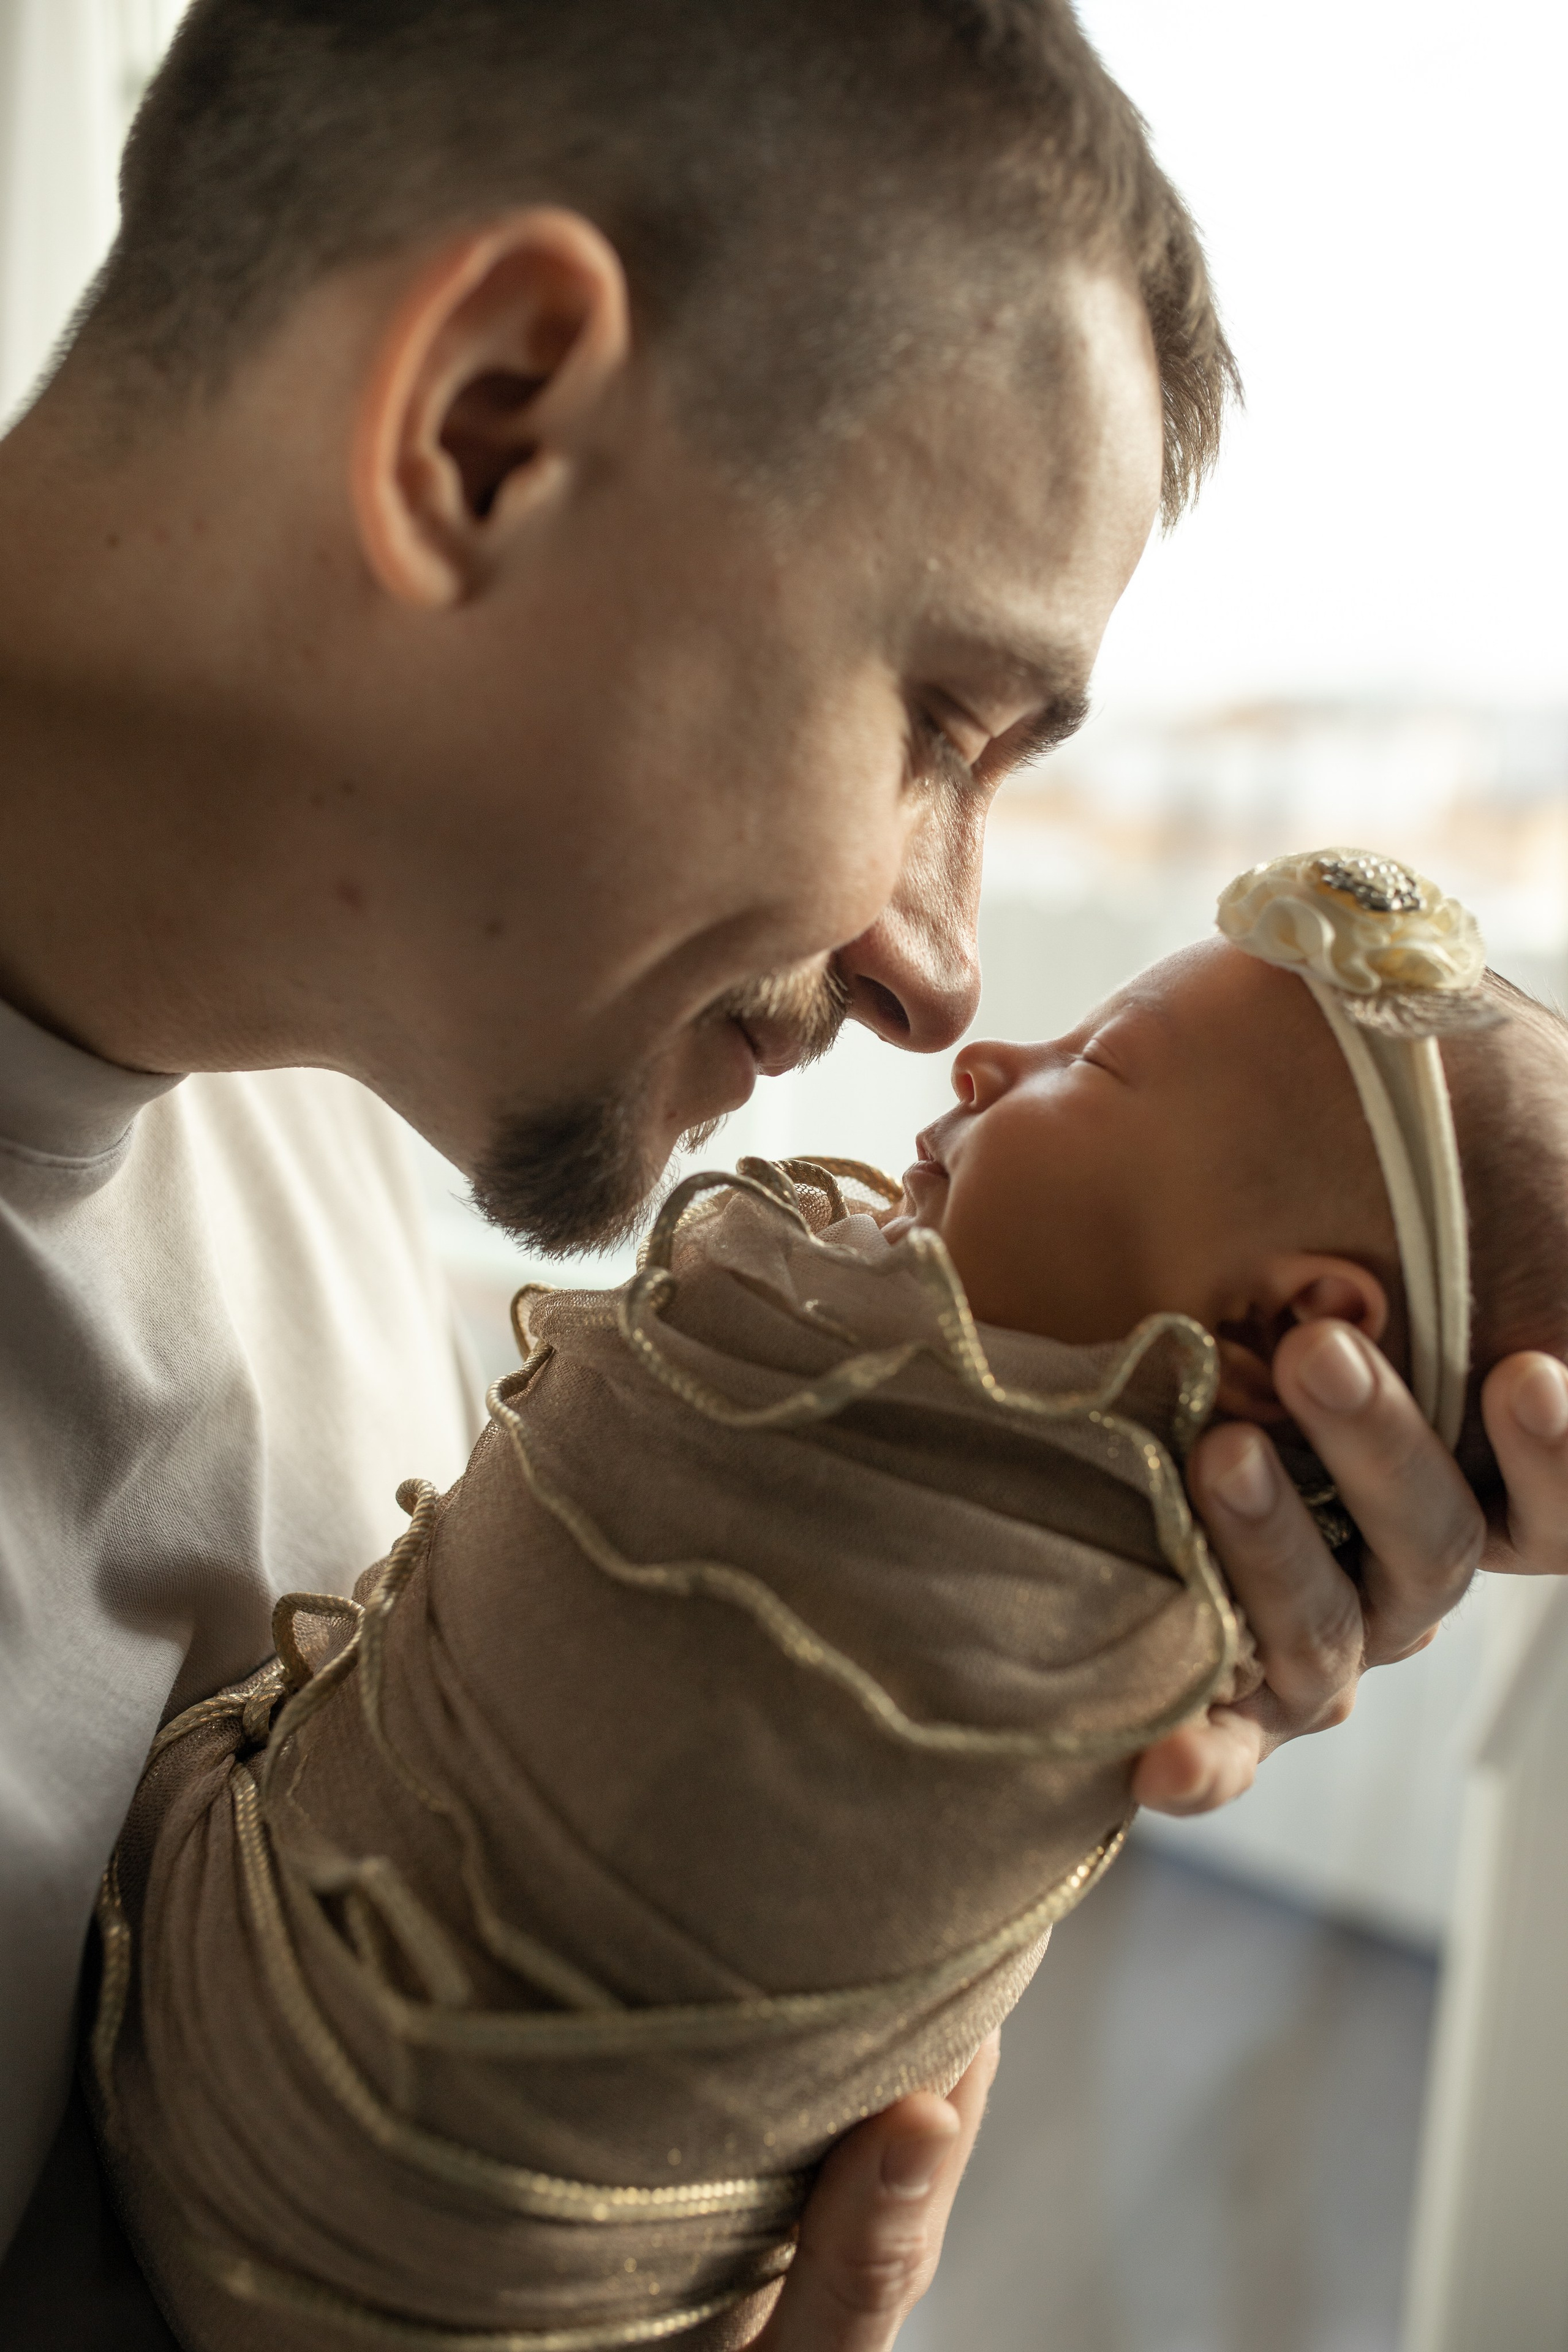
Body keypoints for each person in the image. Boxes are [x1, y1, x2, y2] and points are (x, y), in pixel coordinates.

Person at [0, 4, 1564, 2345]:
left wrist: (1017, 1656)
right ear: (482, 426)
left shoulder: (325, 1060)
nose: (946, 973)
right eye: (941, 720)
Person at [88, 848, 1566, 2351]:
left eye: (1098, 1060)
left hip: (431, 2232)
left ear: (1296, 1328)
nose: (979, 1035)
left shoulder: (1114, 1621)